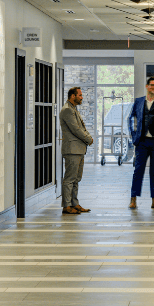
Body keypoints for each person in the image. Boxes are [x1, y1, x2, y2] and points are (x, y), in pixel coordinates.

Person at [127, 76, 154, 210]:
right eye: (152, 85)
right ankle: (133, 199)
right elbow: (130, 118)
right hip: (142, 142)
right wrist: (133, 135)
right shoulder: (139, 101)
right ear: (147, 86)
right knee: (138, 170)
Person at [59, 86, 94, 215]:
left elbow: (81, 127)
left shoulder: (73, 109)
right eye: (79, 95)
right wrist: (88, 139)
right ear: (72, 96)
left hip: (78, 149)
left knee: (76, 178)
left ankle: (74, 203)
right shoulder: (67, 110)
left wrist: (88, 137)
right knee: (69, 178)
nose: (82, 97)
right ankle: (67, 206)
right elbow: (76, 130)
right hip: (72, 150)